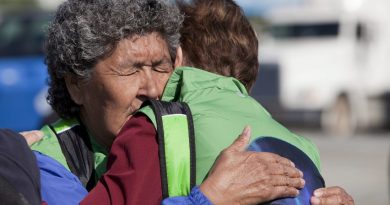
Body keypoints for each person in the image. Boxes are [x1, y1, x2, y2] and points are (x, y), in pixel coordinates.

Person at [29, 0, 307, 204]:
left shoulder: (183, 135)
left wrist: (312, 195)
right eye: (131, 69)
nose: (151, 88)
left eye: (161, 67)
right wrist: (210, 197)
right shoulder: (45, 163)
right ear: (76, 84)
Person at [81, 0, 354, 204]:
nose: (152, 86)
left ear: (177, 57)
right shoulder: (302, 145)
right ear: (252, 73)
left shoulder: (157, 126)